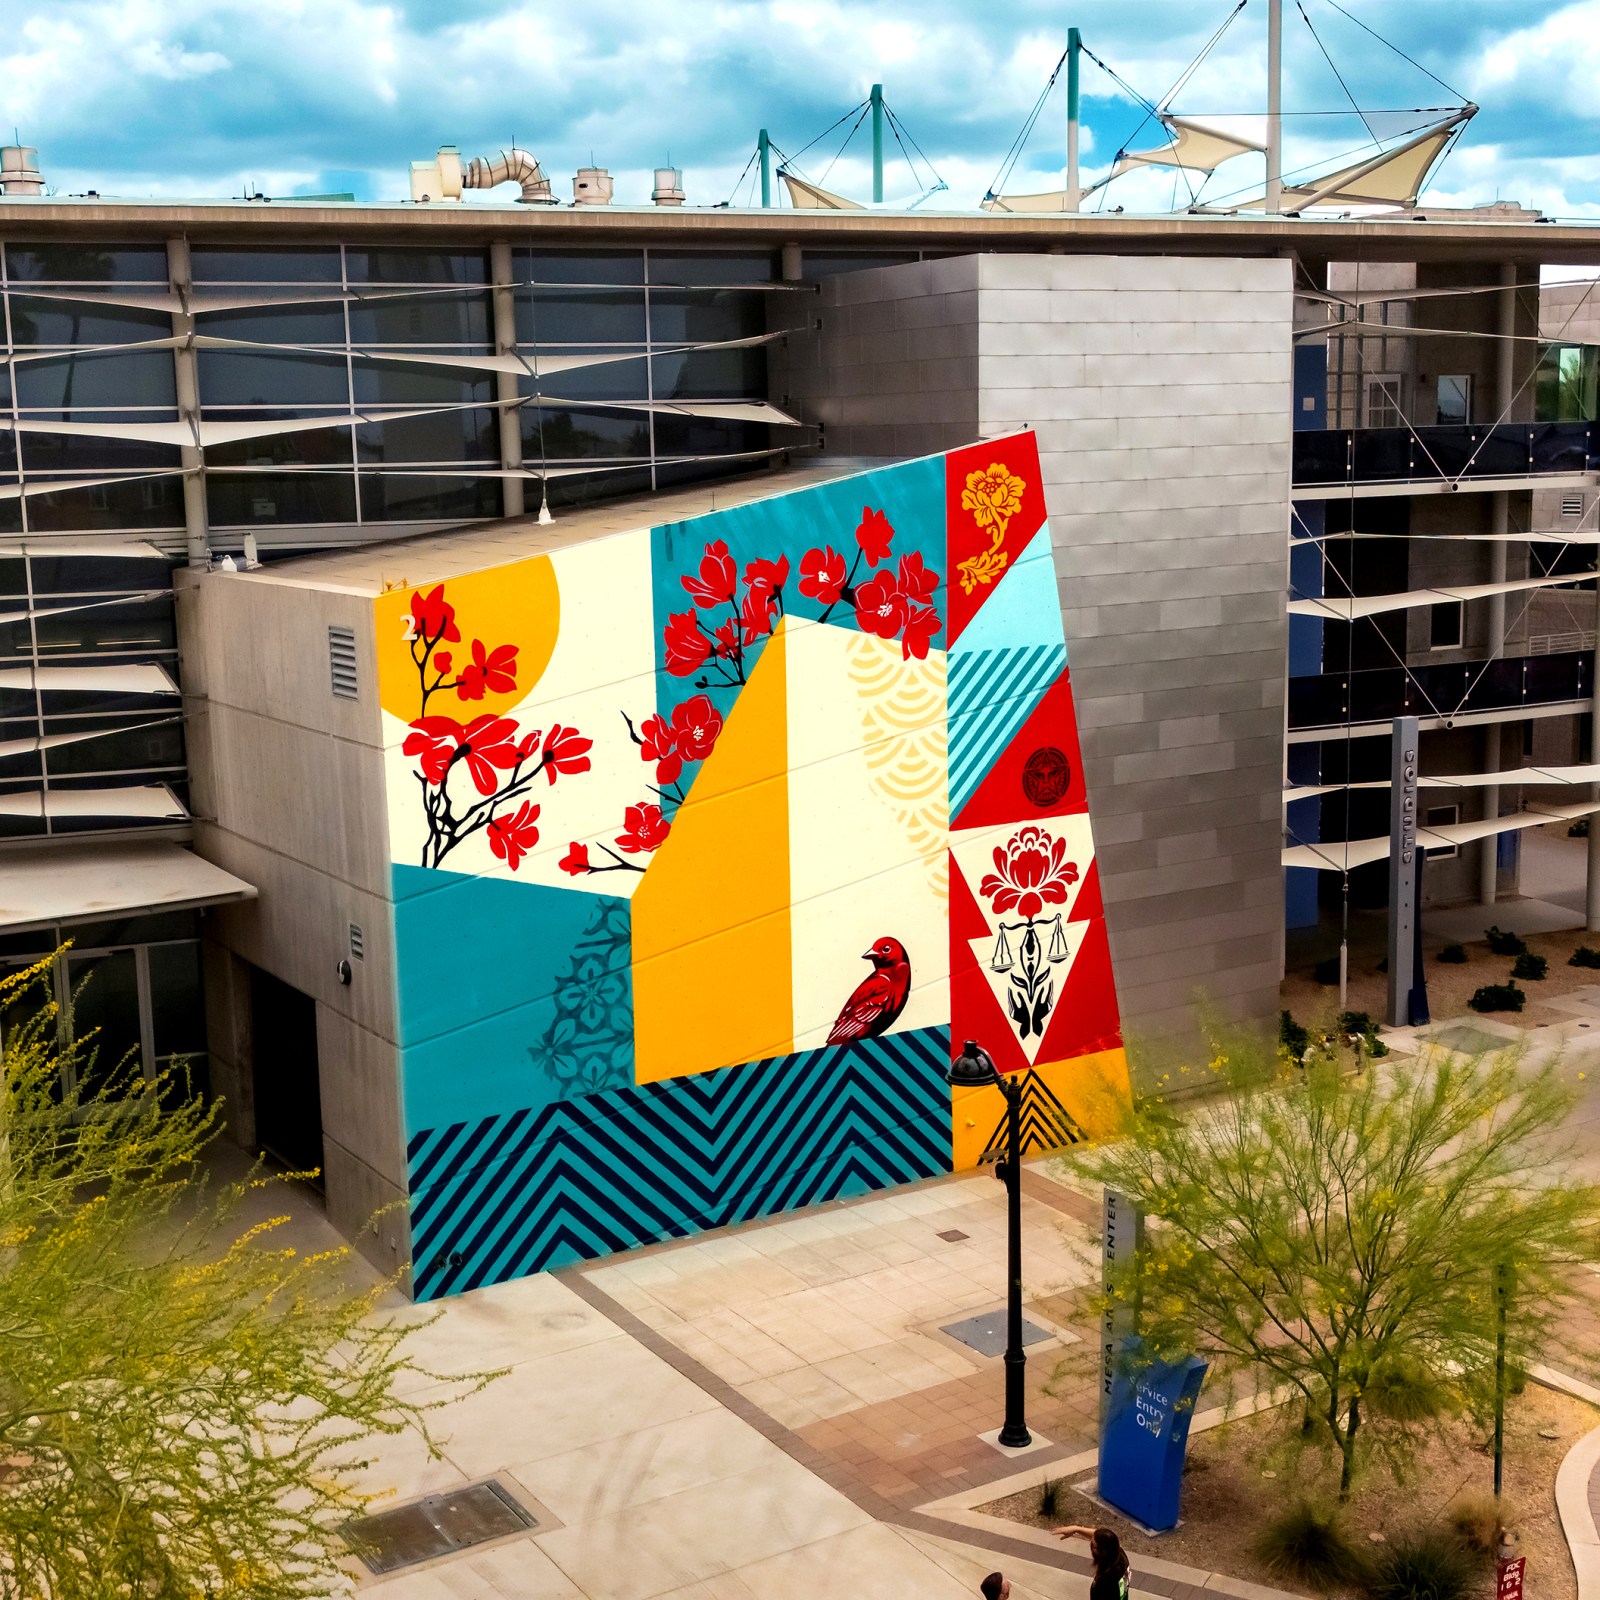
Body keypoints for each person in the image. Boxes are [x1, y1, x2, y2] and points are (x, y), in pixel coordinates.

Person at [1053, 1525, 1131, 1600]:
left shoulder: (1105, 1582)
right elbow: (1101, 1538)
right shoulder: (1120, 1555)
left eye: (1093, 1545)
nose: (1090, 1546)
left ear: (1102, 1551)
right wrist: (1076, 1529)